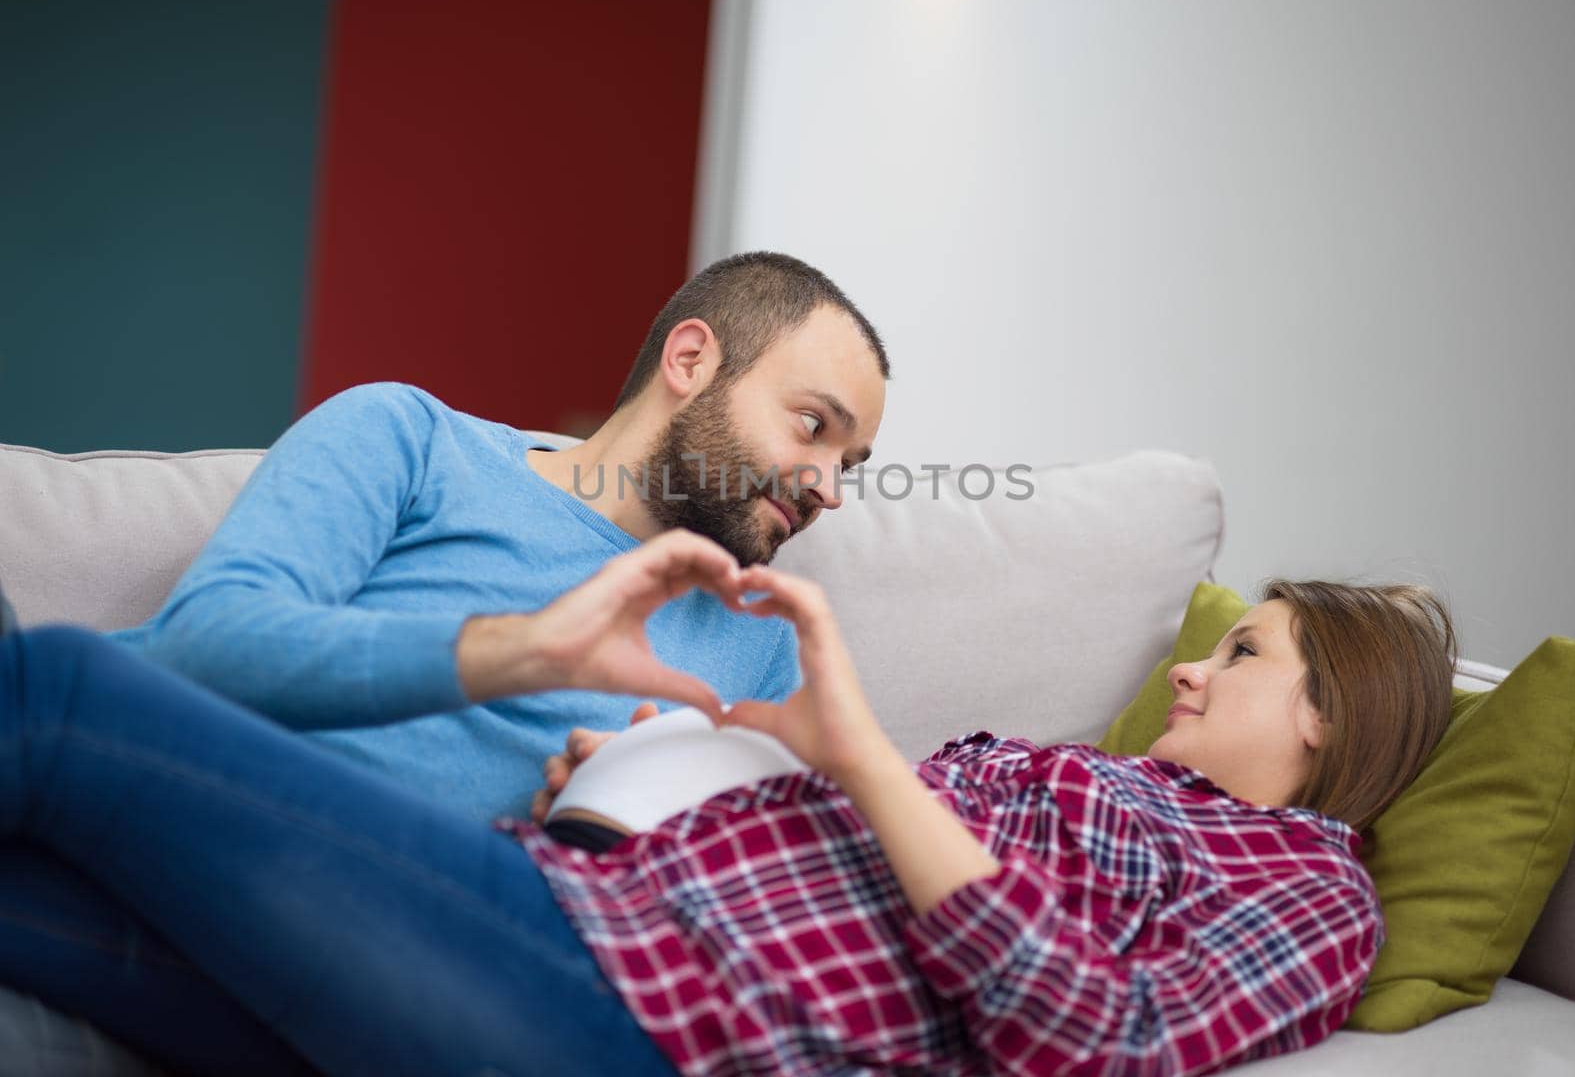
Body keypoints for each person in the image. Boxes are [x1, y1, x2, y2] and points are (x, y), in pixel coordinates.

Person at [0, 535, 1456, 1076]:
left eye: (1243, 653)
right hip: (584, 904)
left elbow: (1105, 1042)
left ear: (1336, 715)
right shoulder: (1121, 781)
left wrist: (865, 755)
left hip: (650, 1016)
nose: (1193, 673)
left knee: (64, 696)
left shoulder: (1316, 900)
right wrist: (632, 793)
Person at [0, 250, 889, 1071]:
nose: (830, 487)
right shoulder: (415, 438)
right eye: (812, 426)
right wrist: (528, 650)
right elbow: (201, 650)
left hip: (407, 967)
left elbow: (710, 929)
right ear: (691, 360)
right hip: (161, 843)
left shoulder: (765, 648)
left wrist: (603, 828)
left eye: (849, 463)